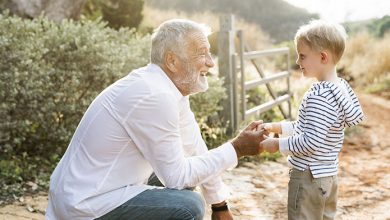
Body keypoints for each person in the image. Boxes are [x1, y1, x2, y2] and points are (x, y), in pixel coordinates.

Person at [46, 19, 266, 220]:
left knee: (190, 176)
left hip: (98, 188)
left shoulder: (167, 87)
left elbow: (194, 148)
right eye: (202, 53)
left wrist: (219, 205)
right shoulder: (154, 95)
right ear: (172, 60)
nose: (211, 63)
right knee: (188, 206)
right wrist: (236, 148)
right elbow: (177, 177)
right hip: (86, 203)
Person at [259, 20, 364, 220]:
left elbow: (311, 141)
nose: (298, 61)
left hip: (308, 177)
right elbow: (311, 128)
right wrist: (277, 127)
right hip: (327, 177)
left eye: (302, 56)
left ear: (323, 56)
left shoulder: (319, 95)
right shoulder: (339, 90)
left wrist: (276, 144)